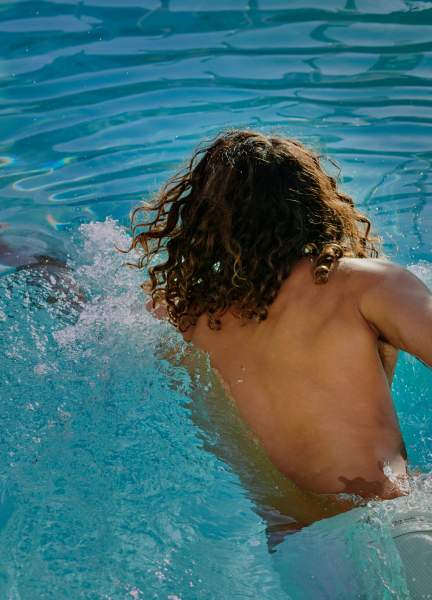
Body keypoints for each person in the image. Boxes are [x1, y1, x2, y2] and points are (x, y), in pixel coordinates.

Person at [129, 129, 432, 596]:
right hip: (393, 522)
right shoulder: (366, 286)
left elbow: (93, 314)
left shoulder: (184, 318)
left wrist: (44, 263)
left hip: (305, 553)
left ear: (203, 220)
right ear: (316, 201)